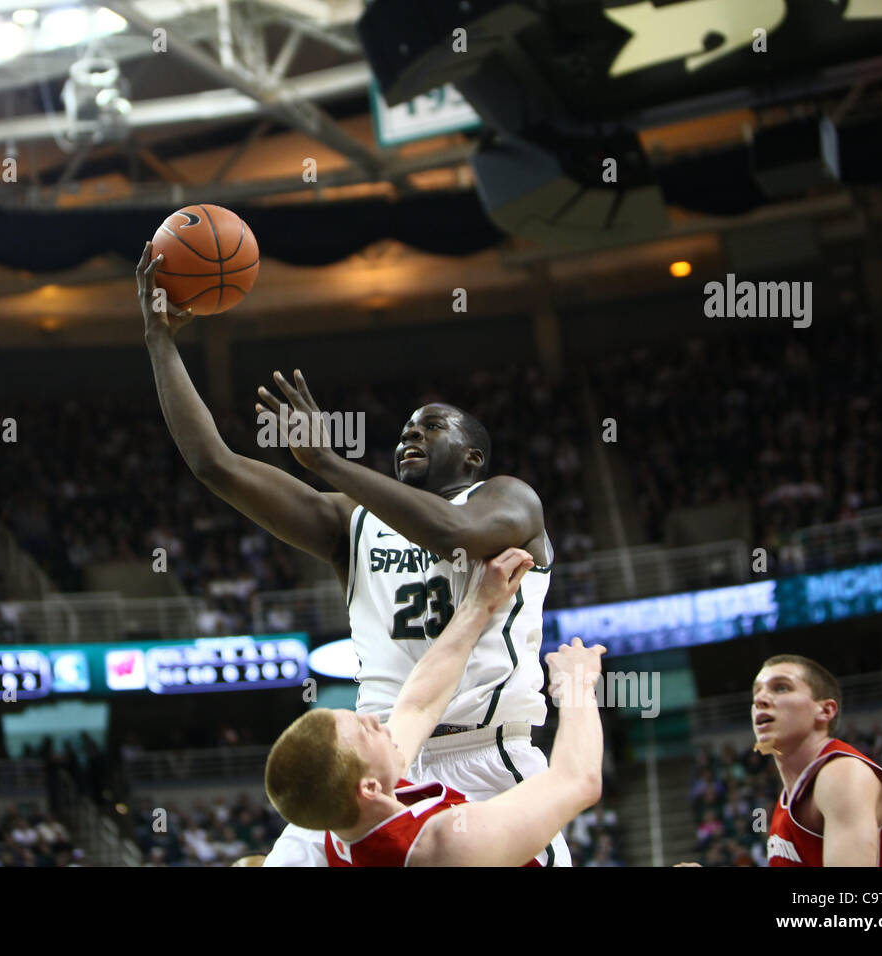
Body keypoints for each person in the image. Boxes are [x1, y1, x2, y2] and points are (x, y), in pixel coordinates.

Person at [138, 244, 569, 866]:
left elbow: (451, 532)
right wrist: (159, 341)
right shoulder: (352, 520)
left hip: (488, 756)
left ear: (473, 457)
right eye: (404, 432)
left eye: (433, 425)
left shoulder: (507, 501)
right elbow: (217, 465)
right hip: (370, 754)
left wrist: (331, 464)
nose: (411, 434)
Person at [264, 549, 604, 866]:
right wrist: (576, 683)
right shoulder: (446, 843)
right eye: (366, 731)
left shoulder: (336, 820)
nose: (372, 718)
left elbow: (417, 706)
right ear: (368, 789)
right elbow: (578, 780)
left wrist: (479, 605)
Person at [753, 655, 882, 867]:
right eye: (756, 692)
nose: (760, 700)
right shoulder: (790, 796)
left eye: (781, 688)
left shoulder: (841, 774)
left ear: (825, 710)